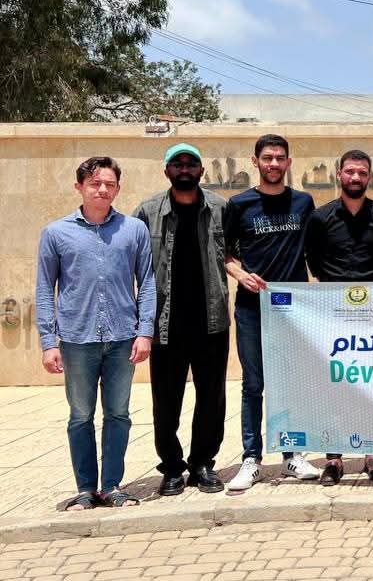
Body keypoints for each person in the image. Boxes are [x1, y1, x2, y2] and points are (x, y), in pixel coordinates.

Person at [36, 156, 155, 510]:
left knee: (118, 414)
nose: (102, 189)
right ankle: (86, 488)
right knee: (80, 416)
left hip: (123, 338)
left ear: (118, 188)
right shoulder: (56, 233)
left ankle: (113, 486)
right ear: (79, 187)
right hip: (77, 339)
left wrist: (144, 332)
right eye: (95, 183)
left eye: (109, 184)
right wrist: (48, 342)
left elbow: (147, 283)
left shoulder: (134, 230)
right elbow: (44, 289)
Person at [224, 134, 322, 491]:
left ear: (289, 162)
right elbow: (225, 253)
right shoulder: (239, 204)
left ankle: (292, 455)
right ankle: (251, 460)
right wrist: (240, 275)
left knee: (290, 383)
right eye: (268, 158)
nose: (274, 164)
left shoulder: (303, 202)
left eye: (280, 158)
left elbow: (315, 250)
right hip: (252, 310)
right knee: (254, 385)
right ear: (255, 162)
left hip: (291, 311)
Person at [132, 143, 230, 496]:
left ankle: (202, 464)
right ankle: (172, 467)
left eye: (191, 163)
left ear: (202, 170)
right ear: (167, 171)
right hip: (165, 324)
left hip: (211, 321)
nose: (184, 169)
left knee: (212, 398)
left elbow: (234, 255)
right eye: (178, 164)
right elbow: (133, 266)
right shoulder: (147, 212)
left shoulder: (220, 208)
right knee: (166, 401)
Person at [305, 149, 373, 485]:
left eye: (361, 172)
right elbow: (313, 261)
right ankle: (334, 458)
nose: (355, 177)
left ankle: (372, 453)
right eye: (350, 171)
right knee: (334, 385)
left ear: (370, 177)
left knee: (371, 383)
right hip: (333, 312)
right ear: (338, 174)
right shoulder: (320, 218)